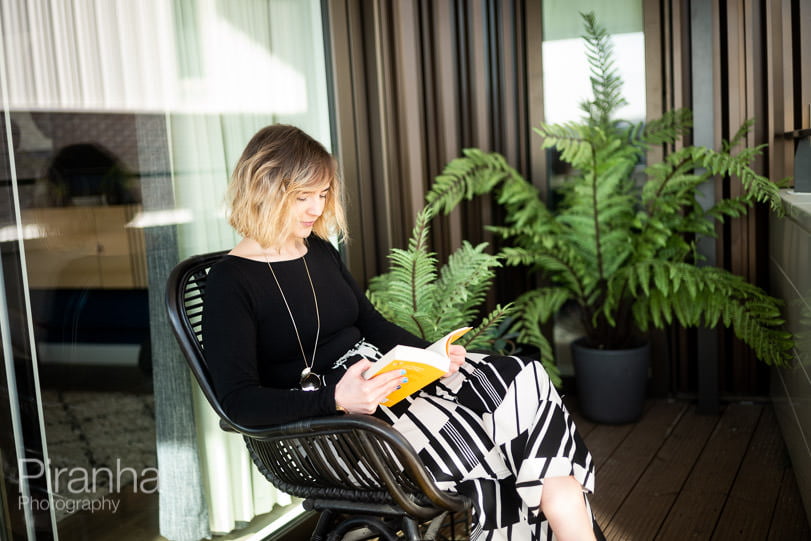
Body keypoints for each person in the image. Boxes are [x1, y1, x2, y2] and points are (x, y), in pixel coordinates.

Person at [202, 124, 600, 540]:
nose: (316, 209)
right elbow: (236, 401)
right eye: (303, 197)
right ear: (263, 188)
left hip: (392, 388)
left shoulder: (317, 250)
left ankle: (563, 512)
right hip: (340, 431)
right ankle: (567, 518)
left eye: (322, 195)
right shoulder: (231, 282)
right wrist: (335, 398)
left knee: (522, 376)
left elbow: (372, 325)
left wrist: (431, 355)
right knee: (508, 446)